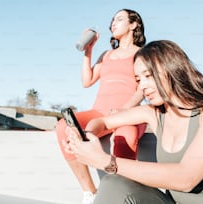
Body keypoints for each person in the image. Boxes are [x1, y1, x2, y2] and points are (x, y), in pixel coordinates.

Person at [66, 40, 203, 204]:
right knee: (113, 183)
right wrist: (88, 135)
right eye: (138, 80)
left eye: (148, 76)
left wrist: (106, 161)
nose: (142, 87)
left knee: (113, 174)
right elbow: (103, 122)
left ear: (173, 68)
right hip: (172, 201)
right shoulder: (154, 113)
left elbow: (186, 178)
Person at [56, 9, 147, 204]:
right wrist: (88, 52)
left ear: (134, 25)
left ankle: (121, 195)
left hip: (128, 114)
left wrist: (125, 109)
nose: (114, 23)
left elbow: (143, 89)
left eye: (120, 19)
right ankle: (90, 191)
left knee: (125, 137)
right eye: (113, 20)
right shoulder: (106, 55)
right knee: (64, 126)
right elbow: (86, 81)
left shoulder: (142, 54)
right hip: (99, 112)